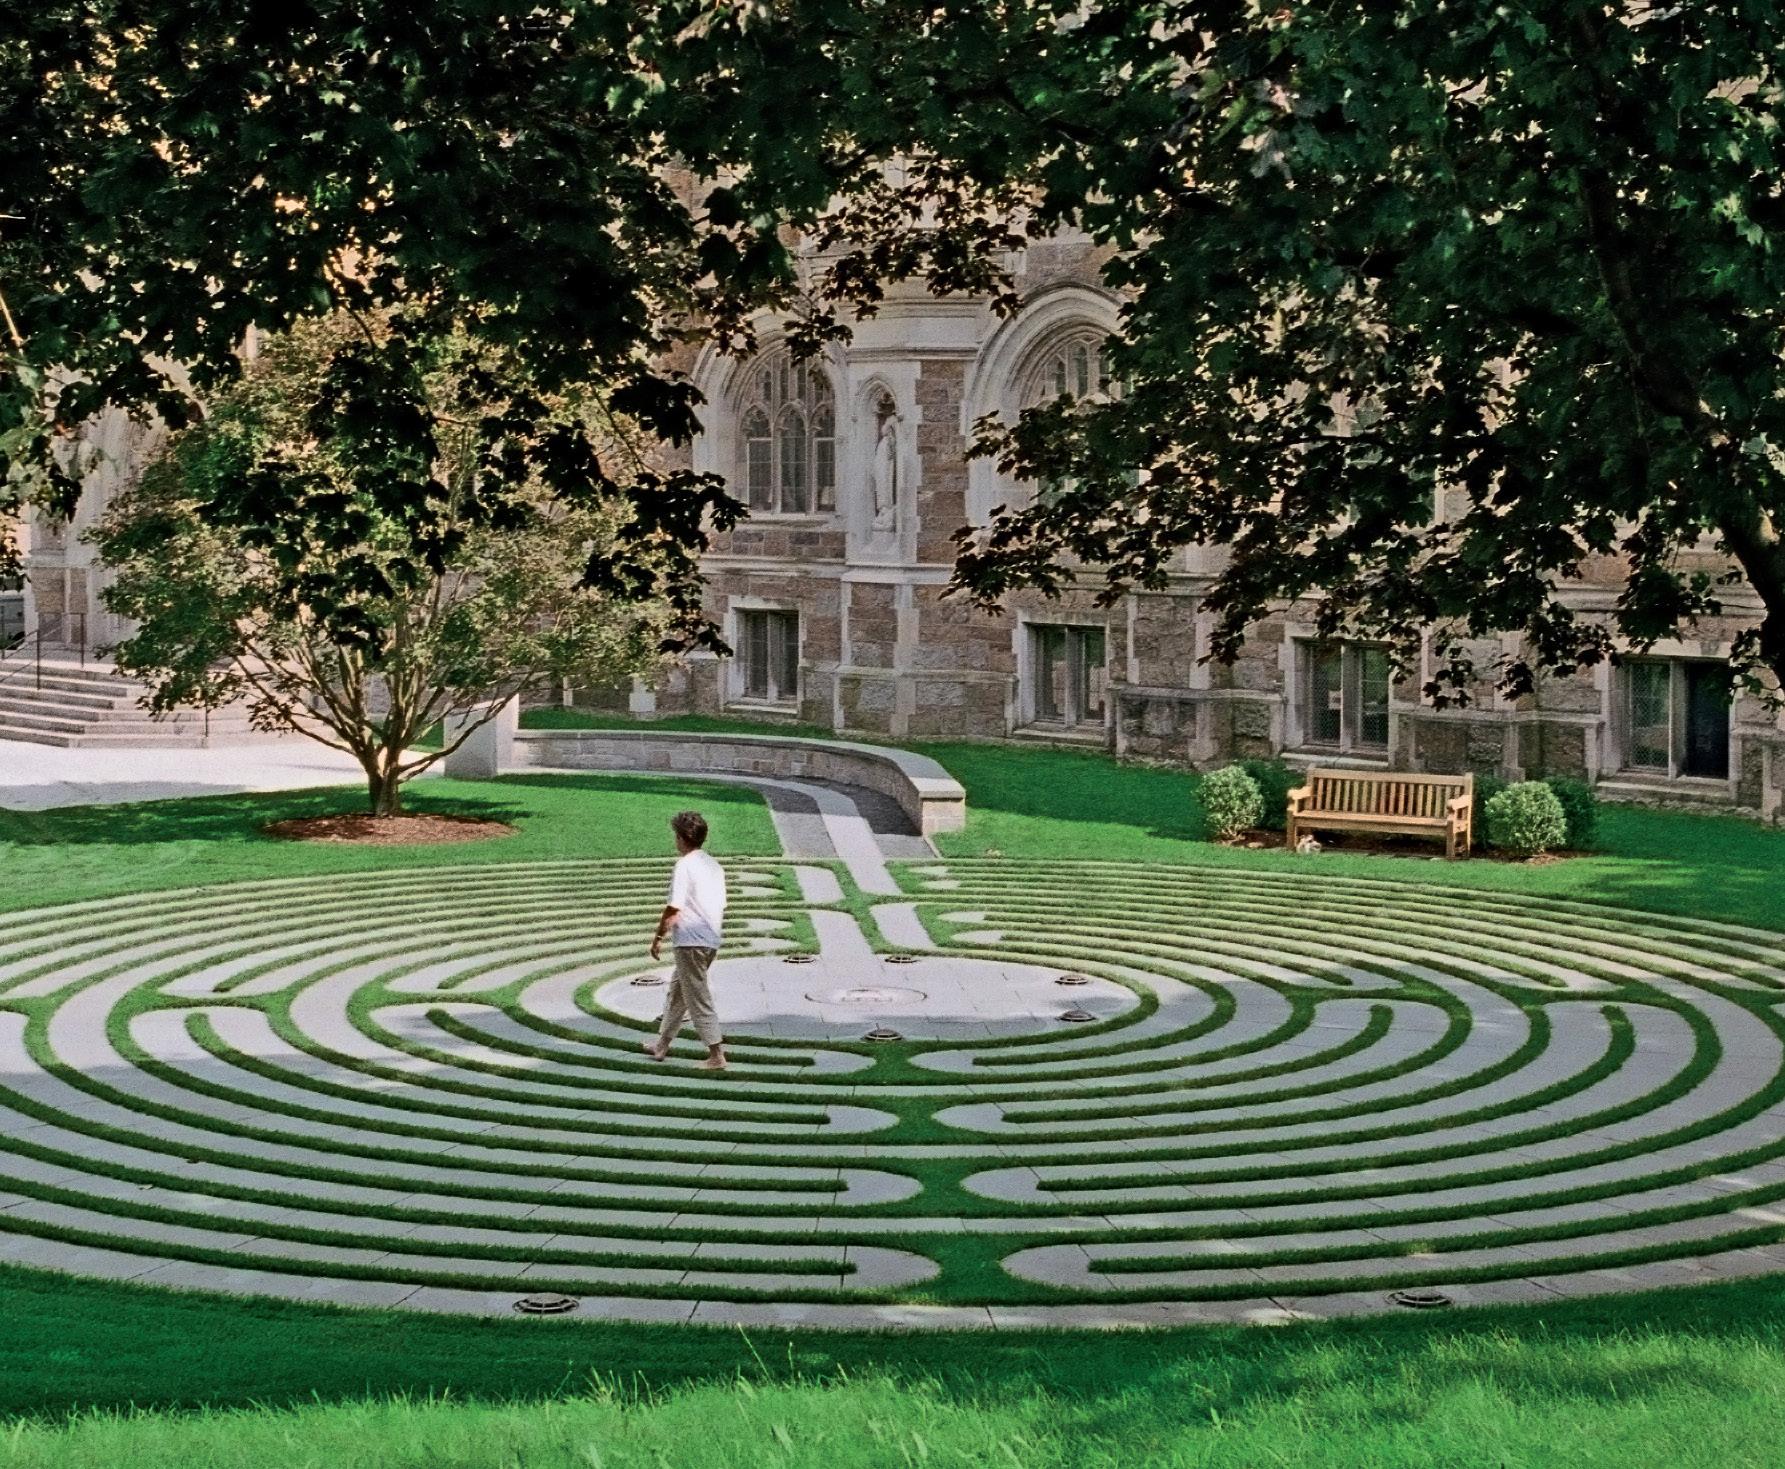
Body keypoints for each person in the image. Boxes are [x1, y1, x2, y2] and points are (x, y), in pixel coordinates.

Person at [645, 810, 729, 1070]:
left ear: (682, 838)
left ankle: (716, 1055)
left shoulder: (684, 866)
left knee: (697, 997)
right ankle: (662, 1045)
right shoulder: (713, 866)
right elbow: (721, 904)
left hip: (690, 942)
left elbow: (674, 908)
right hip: (710, 939)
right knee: (678, 992)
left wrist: (658, 937)